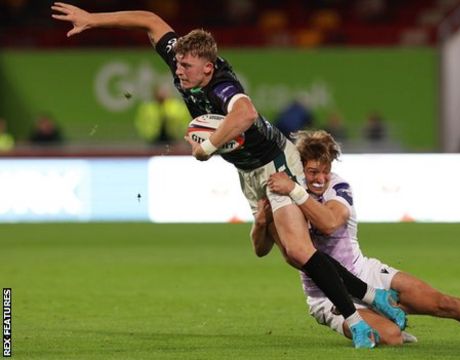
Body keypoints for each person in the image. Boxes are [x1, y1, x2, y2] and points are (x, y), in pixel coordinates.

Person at [52, 2, 404, 349]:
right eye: (177, 63)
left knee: (299, 250)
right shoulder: (183, 57)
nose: (179, 71)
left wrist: (207, 147)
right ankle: (376, 296)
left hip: (275, 161)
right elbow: (149, 20)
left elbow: (246, 114)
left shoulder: (221, 85)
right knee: (294, 255)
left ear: (207, 68)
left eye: (187, 66)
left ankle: (357, 323)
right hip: (248, 170)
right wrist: (92, 19)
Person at [256, 129, 460, 347]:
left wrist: (295, 192)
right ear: (299, 169)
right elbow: (264, 250)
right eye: (312, 172)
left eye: (325, 170)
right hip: (326, 297)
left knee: (444, 303)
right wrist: (261, 220)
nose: (320, 178)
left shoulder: (335, 187)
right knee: (391, 338)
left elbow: (331, 223)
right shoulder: (284, 197)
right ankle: (384, 323)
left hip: (367, 274)